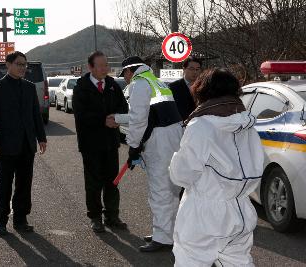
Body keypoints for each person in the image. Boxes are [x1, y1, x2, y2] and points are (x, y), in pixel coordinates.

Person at [169, 68, 264, 266]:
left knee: (190, 260)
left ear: (202, 92)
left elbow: (181, 175)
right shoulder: (247, 125)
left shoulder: (201, 126)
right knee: (238, 262)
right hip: (241, 210)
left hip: (204, 214)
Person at [120, 56, 183, 252]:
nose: (125, 79)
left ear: (130, 71)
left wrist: (133, 145)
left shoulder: (139, 84)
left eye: (125, 75)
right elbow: (149, 114)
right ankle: (167, 232)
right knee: (171, 189)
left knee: (160, 191)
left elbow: (139, 120)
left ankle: (163, 238)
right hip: (172, 138)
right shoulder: (156, 81)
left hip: (159, 143)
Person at [0, 51, 47, 236]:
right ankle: (1, 221)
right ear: (8, 64)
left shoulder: (29, 87)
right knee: (5, 184)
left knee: (24, 185)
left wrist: (41, 137)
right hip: (5, 145)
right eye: (19, 64)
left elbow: (36, 115)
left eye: (24, 64)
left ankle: (21, 219)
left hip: (27, 145)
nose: (23, 68)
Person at [73, 51, 129, 233]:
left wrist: (117, 117)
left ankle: (112, 216)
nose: (106, 69)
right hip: (91, 144)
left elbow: (123, 106)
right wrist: (103, 119)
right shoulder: (81, 86)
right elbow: (81, 114)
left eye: (107, 65)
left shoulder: (112, 85)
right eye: (101, 65)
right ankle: (95, 217)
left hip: (111, 142)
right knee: (93, 182)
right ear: (91, 67)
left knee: (112, 181)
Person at [168, 56, 202, 121]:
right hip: (181, 124)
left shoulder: (204, 86)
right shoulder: (173, 87)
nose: (195, 72)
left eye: (197, 69)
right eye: (191, 69)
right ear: (184, 69)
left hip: (200, 124)